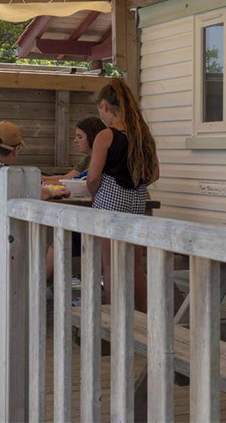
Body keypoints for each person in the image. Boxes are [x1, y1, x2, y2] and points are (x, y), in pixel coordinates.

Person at [0, 121, 67, 280]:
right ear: (16, 150)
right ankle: (27, 299)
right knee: (53, 252)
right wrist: (53, 190)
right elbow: (40, 193)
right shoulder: (1, 173)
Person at [87, 79, 159, 311]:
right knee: (136, 264)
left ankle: (115, 314)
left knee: (111, 264)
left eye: (100, 111)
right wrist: (136, 182)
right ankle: (141, 314)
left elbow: (93, 176)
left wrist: (93, 193)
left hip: (109, 201)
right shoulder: (143, 135)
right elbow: (155, 173)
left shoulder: (105, 136)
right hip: (136, 200)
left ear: (105, 107)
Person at [42, 116, 106, 183]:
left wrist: (41, 181)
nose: (75, 141)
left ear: (93, 137)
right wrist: (41, 179)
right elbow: (67, 178)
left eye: (80, 137)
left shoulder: (103, 160)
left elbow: (73, 182)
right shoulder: (88, 158)